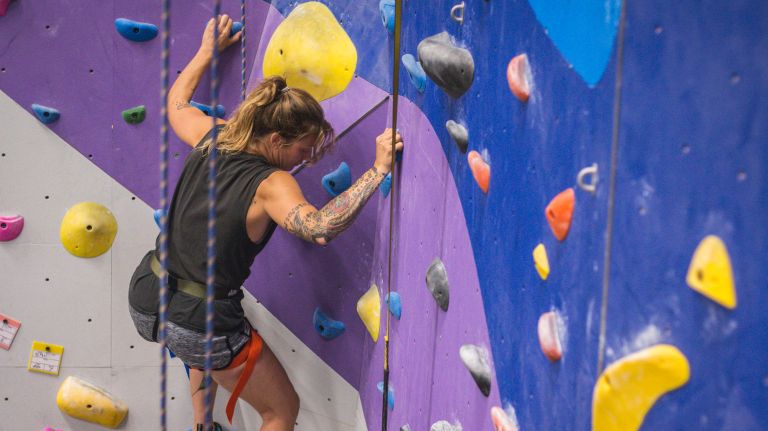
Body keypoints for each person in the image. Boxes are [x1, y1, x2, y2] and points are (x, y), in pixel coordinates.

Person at [127, 15, 404, 431]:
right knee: (280, 411)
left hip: (148, 293)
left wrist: (206, 51)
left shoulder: (215, 136)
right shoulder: (271, 184)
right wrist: (378, 170)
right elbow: (320, 227)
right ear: (275, 141)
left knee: (203, 347)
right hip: (200, 320)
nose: (306, 160)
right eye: (304, 150)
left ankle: (203, 425)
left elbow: (177, 106)